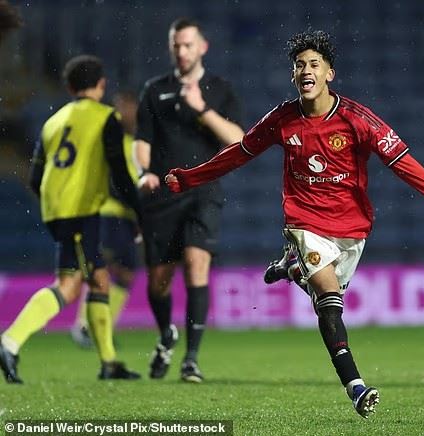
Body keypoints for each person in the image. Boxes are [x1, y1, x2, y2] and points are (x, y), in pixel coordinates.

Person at [165, 30, 424, 417]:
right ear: (293, 75)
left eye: (314, 64)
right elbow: (239, 152)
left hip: (352, 229)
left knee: (324, 293)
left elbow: (403, 164)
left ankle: (292, 268)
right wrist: (191, 178)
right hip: (304, 222)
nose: (306, 71)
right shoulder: (281, 120)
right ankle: (356, 386)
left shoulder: (357, 119)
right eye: (299, 65)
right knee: (330, 305)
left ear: (330, 73)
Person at [0, 55, 141, 383]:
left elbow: (36, 178)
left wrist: (57, 199)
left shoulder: (53, 122)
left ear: (69, 87)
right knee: (69, 285)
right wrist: (141, 212)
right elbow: (120, 174)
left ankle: (109, 363)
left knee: (99, 279)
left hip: (58, 211)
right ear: (101, 85)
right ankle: (10, 341)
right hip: (81, 212)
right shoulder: (105, 118)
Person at [135, 17, 244, 383]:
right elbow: (142, 139)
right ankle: (166, 333)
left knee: (197, 263)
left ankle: (191, 359)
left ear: (202, 47)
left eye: (187, 45)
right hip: (163, 193)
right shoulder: (155, 90)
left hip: (204, 191)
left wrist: (202, 109)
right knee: (159, 280)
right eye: (176, 46)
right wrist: (144, 171)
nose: (182, 51)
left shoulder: (220, 90)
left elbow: (237, 139)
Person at [71, 91, 142, 348]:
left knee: (126, 274)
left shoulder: (136, 142)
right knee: (104, 267)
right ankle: (83, 326)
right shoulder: (110, 139)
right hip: (108, 212)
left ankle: (103, 327)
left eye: (130, 107)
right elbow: (113, 181)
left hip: (128, 216)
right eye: (122, 107)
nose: (126, 113)